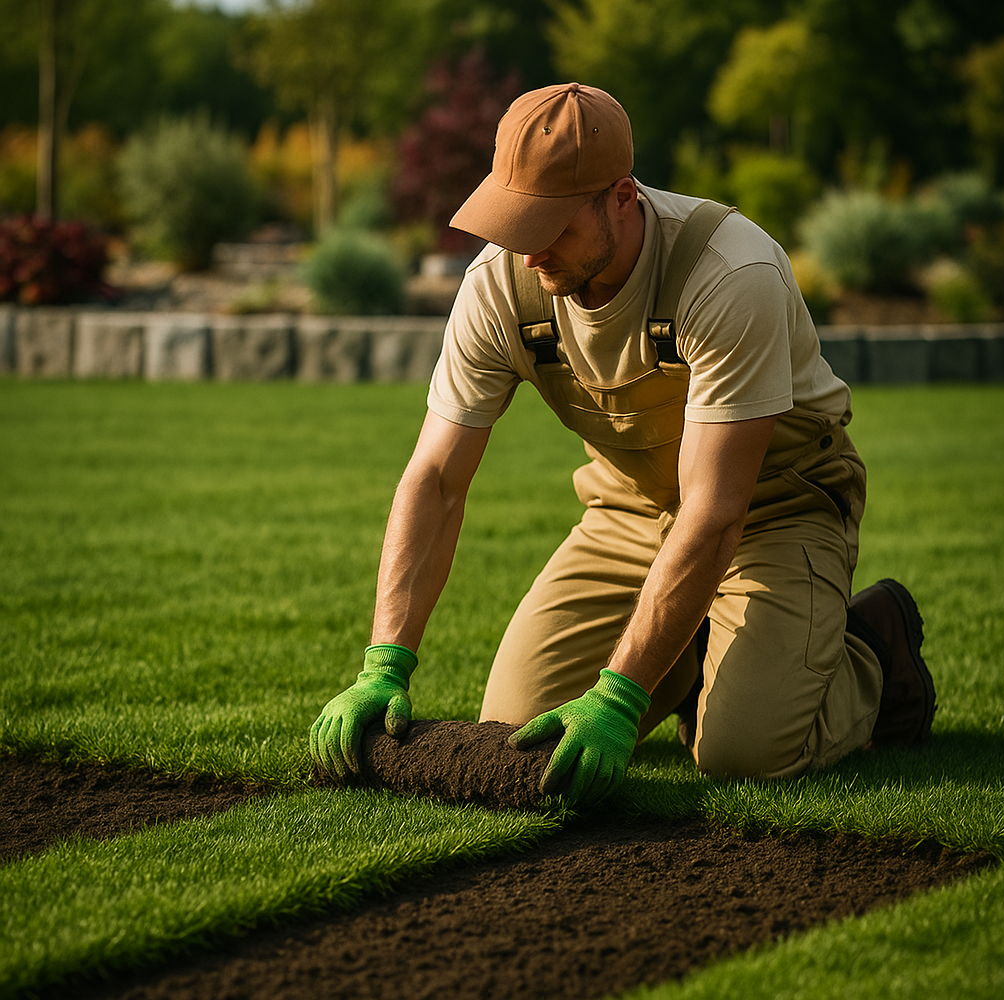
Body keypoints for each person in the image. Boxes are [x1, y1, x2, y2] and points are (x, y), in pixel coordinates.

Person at [309, 82, 935, 802]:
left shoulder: (730, 272)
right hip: (628, 515)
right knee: (520, 732)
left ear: (621, 198)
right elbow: (437, 479)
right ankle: (696, 646)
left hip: (774, 512)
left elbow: (715, 511)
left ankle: (873, 655)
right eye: (516, 221)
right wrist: (384, 663)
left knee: (743, 753)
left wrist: (619, 695)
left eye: (552, 226)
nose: (531, 250)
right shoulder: (499, 283)